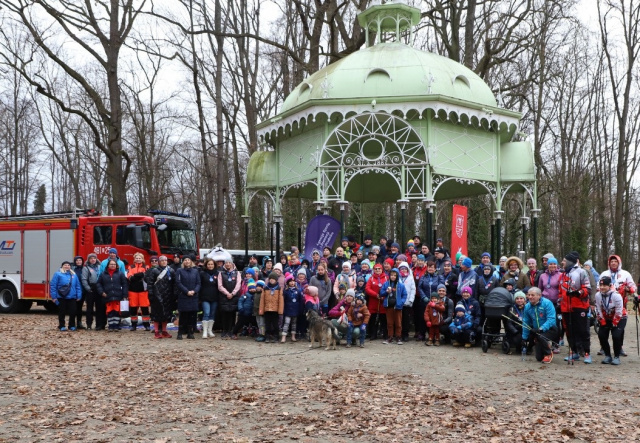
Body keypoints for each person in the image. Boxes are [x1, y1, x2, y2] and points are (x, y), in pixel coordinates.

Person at [598, 255, 636, 357]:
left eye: (615, 261)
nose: (613, 263)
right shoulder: (604, 274)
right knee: (605, 326)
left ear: (619, 263)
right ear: (609, 263)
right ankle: (603, 347)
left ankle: (620, 347)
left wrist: (628, 289)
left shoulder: (625, 274)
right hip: (606, 303)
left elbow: (633, 287)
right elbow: (599, 287)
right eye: (612, 261)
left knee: (619, 327)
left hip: (621, 301)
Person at [559, 251, 592, 363]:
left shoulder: (581, 272)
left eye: (564, 260)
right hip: (566, 307)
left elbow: (588, 289)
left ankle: (587, 353)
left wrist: (578, 293)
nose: (562, 262)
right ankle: (574, 352)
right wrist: (560, 301)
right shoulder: (563, 274)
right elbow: (561, 291)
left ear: (570, 261)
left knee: (582, 330)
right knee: (569, 330)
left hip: (579, 306)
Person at [522, 287, 557, 363]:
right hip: (537, 331)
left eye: (532, 295)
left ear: (539, 295)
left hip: (551, 329)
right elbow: (526, 322)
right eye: (529, 295)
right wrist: (524, 338)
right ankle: (545, 346)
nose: (530, 297)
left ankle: (548, 353)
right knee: (539, 358)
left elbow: (551, 319)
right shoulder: (527, 306)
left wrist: (541, 329)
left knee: (541, 336)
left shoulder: (547, 303)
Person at [595, 276, 625, 365]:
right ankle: (608, 355)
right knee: (601, 334)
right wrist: (602, 320)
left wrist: (615, 322)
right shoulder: (598, 295)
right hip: (606, 317)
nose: (602, 287)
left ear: (610, 285)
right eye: (601, 285)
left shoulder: (616, 295)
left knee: (616, 336)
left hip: (620, 317)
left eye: (604, 285)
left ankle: (616, 356)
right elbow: (598, 309)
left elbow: (619, 310)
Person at [146, 256, 175, 339]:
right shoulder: (155, 271)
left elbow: (174, 283)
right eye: (162, 260)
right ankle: (156, 331)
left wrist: (174, 294)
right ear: (159, 261)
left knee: (166, 314)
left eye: (165, 260)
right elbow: (150, 283)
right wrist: (151, 294)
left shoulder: (171, 271)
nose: (164, 262)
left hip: (168, 295)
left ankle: (164, 331)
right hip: (157, 295)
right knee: (156, 314)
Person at [50, 260, 83, 331]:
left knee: (73, 312)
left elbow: (78, 286)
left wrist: (79, 295)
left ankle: (72, 325)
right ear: (62, 266)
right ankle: (61, 325)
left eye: (68, 265)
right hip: (61, 297)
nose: (67, 266)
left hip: (72, 297)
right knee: (62, 312)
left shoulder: (74, 275)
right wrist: (54, 297)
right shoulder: (57, 274)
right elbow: (53, 286)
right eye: (65, 265)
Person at [97, 258, 128, 332]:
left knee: (117, 311)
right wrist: (101, 292)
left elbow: (124, 284)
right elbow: (98, 283)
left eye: (114, 264)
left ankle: (116, 326)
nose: (113, 265)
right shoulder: (103, 274)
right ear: (108, 265)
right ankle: (111, 326)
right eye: (111, 264)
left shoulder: (120, 273)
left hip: (118, 295)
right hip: (107, 295)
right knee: (109, 311)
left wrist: (124, 294)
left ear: (116, 265)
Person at [537, 257, 562, 352]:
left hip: (556, 303)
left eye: (554, 264)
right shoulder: (542, 276)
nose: (552, 266)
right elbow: (540, 289)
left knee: (555, 323)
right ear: (547, 265)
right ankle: (545, 341)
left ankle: (556, 344)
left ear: (557, 265)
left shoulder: (560, 275)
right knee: (544, 322)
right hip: (545, 302)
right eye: (550, 264)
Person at [175, 255, 201, 340]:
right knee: (183, 315)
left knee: (192, 315)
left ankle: (190, 332)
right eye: (185, 260)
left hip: (193, 296)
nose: (187, 261)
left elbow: (198, 283)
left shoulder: (195, 271)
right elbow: (178, 283)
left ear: (191, 262)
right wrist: (186, 291)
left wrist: (194, 291)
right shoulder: (179, 270)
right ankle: (180, 333)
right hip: (184, 295)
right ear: (183, 262)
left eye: (188, 260)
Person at [417, 261, 444, 340]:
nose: (430, 268)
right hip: (425, 300)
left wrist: (436, 299)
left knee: (434, 317)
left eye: (432, 267)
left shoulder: (439, 276)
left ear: (435, 268)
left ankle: (433, 335)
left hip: (435, 301)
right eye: (429, 267)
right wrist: (424, 297)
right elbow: (420, 287)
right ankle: (422, 333)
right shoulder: (423, 276)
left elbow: (441, 288)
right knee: (424, 317)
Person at [380, 268, 407, 345]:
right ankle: (390, 336)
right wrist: (386, 292)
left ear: (397, 276)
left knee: (398, 323)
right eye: (391, 275)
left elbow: (404, 295)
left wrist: (401, 302)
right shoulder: (386, 284)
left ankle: (398, 337)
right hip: (389, 306)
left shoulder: (401, 285)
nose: (393, 277)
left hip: (398, 306)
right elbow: (381, 293)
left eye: (394, 275)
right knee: (389, 323)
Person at [217, 258, 241, 339]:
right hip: (224, 296)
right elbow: (220, 286)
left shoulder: (237, 273)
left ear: (232, 264)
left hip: (234, 297)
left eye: (229, 263)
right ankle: (225, 330)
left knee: (232, 314)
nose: (227, 264)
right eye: (226, 263)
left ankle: (231, 331)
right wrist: (227, 293)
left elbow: (238, 284)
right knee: (224, 314)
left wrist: (233, 293)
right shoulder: (221, 273)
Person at [126, 252, 150, 331]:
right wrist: (139, 275)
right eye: (136, 258)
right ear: (134, 259)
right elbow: (129, 277)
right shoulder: (131, 267)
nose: (138, 259)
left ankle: (147, 325)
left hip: (143, 291)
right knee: (133, 309)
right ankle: (134, 325)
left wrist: (135, 276)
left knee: (145, 308)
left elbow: (146, 276)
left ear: (142, 259)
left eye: (139, 258)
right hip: (133, 291)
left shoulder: (146, 267)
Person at [365, 263, 388, 340]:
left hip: (383, 301)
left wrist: (383, 295)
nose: (377, 270)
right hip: (373, 301)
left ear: (382, 270)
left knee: (384, 319)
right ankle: (373, 334)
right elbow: (367, 289)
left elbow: (389, 287)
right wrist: (375, 295)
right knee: (373, 319)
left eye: (379, 269)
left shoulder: (386, 277)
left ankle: (385, 334)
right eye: (376, 269)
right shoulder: (371, 278)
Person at [260, 272, 284, 343]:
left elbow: (281, 300)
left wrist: (280, 311)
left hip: (275, 310)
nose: (272, 280)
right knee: (267, 325)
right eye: (270, 279)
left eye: (273, 279)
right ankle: (267, 336)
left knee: (275, 325)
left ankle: (276, 336)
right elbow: (262, 300)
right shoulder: (265, 288)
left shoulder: (279, 288)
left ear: (276, 280)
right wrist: (261, 310)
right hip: (267, 309)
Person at [81, 253, 102, 330]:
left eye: (94, 258)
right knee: (89, 308)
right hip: (90, 288)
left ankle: (99, 324)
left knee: (99, 308)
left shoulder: (100, 267)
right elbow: (84, 279)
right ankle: (89, 324)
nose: (93, 260)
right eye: (91, 258)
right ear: (88, 260)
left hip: (99, 288)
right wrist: (88, 289)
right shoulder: (86, 268)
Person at [200, 258, 220, 339]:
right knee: (206, 313)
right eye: (209, 264)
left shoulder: (217, 274)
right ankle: (204, 331)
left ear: (214, 265)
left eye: (212, 264)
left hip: (215, 297)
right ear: (206, 265)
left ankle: (209, 330)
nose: (210, 266)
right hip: (205, 296)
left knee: (212, 314)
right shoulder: (202, 273)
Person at [397, 261, 415, 342]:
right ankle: (398, 334)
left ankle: (405, 334)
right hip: (398, 302)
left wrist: (411, 300)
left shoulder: (410, 278)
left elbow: (413, 289)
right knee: (398, 319)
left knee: (406, 320)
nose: (403, 270)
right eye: (402, 269)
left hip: (407, 302)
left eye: (405, 269)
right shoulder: (397, 278)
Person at [282, 273, 302, 343]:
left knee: (294, 323)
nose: (292, 283)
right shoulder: (286, 291)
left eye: (293, 281)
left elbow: (300, 301)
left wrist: (300, 309)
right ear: (287, 283)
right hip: (288, 309)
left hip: (295, 309)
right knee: (286, 323)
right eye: (290, 281)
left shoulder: (298, 291)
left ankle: (293, 335)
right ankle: (284, 336)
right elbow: (283, 301)